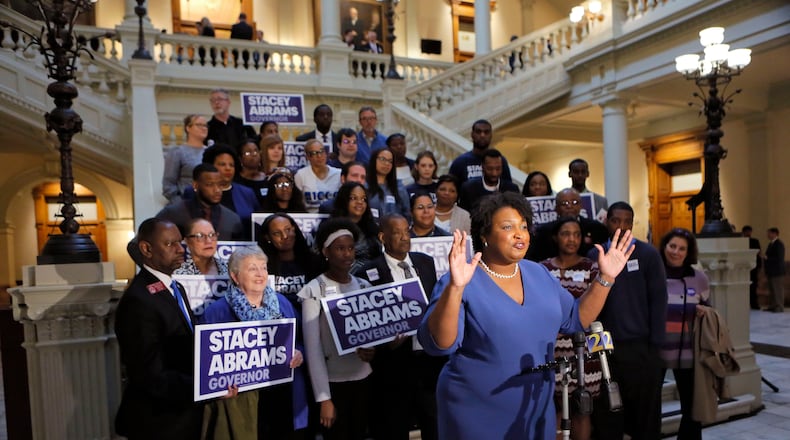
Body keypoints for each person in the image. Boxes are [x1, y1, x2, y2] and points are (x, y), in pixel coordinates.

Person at [417, 192, 635, 439]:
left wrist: (605, 278)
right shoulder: (460, 279)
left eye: (523, 226)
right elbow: (440, 345)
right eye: (508, 227)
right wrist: (455, 288)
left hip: (534, 406)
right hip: (476, 409)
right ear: (485, 235)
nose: (520, 233)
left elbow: (576, 319)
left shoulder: (538, 273)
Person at [201, 247, 308, 439]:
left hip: (281, 394)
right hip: (239, 401)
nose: (260, 274)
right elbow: (204, 363)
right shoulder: (216, 311)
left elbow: (300, 340)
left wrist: (299, 353)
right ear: (235, 276)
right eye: (252, 269)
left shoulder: (283, 303)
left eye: (264, 268)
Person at [115, 218, 203, 439]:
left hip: (182, 415)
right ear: (146, 249)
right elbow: (149, 375)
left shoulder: (175, 286)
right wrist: (205, 389)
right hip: (158, 422)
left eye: (180, 242)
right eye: (169, 244)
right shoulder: (139, 300)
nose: (180, 249)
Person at [356, 214, 442, 440]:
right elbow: (366, 324)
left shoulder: (425, 262)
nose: (405, 237)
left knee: (434, 424)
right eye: (398, 232)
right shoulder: (367, 273)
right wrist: (385, 343)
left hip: (429, 362)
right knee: (394, 427)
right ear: (383, 237)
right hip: (393, 365)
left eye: (407, 230)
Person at [588, 201, 668, 440]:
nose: (621, 226)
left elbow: (659, 302)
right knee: (607, 416)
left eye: (627, 221)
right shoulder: (595, 254)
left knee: (645, 417)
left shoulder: (648, 254)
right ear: (607, 221)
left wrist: (655, 347)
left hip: (641, 348)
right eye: (616, 220)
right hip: (606, 350)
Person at [297, 218, 376, 440]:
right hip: (333, 385)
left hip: (363, 380)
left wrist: (371, 350)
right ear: (326, 252)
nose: (347, 254)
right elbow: (313, 350)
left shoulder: (364, 286)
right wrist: (324, 398)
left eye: (350, 248)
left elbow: (371, 333)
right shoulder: (313, 290)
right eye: (340, 248)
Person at [539, 216, 602, 440]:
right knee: (554, 407)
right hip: (551, 349)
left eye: (576, 234)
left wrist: (598, 350)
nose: (572, 239)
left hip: (583, 350)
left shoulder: (591, 267)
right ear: (556, 237)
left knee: (581, 408)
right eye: (566, 234)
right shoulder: (542, 268)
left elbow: (596, 309)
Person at [658, 228, 711, 440]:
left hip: (689, 352)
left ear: (688, 252)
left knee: (691, 406)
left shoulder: (699, 278)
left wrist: (704, 311)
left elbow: (708, 309)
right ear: (664, 247)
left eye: (682, 248)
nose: (676, 252)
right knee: (650, 405)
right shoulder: (654, 274)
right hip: (657, 351)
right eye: (672, 246)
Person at [156, 164, 244, 241]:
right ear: (195, 185)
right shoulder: (172, 214)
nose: (217, 190)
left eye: (220, 184)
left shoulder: (232, 219)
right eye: (210, 184)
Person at [258, 213, 324, 310]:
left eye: (288, 230)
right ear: (268, 237)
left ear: (294, 230)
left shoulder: (315, 262)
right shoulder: (261, 267)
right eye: (277, 233)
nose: (284, 236)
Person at [527, 188, 609, 262]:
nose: (569, 206)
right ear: (557, 208)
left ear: (581, 206)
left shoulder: (596, 228)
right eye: (564, 203)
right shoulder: (544, 231)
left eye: (574, 202)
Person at [202, 143, 260, 239]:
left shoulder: (247, 193)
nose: (228, 168)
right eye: (222, 164)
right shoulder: (198, 191)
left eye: (231, 165)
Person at [330, 181, 382, 273]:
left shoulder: (373, 227)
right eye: (354, 198)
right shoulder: (331, 228)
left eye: (363, 199)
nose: (360, 202)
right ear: (344, 201)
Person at [448, 119, 513, 186]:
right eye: (478, 132)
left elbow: (508, 188)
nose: (482, 135)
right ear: (472, 135)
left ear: (491, 135)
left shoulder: (500, 161)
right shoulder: (460, 162)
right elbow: (451, 188)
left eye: (486, 132)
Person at [162, 114, 208, 203]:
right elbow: (168, 185)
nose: (204, 128)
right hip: (187, 203)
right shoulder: (178, 152)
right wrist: (181, 203)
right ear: (188, 128)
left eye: (205, 125)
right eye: (199, 125)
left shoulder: (211, 151)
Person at [294, 139, 341, 213]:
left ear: (326, 153)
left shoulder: (338, 174)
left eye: (321, 151)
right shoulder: (301, 175)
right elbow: (297, 203)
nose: (319, 156)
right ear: (307, 157)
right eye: (314, 153)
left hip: (333, 217)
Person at [366, 148, 411, 221]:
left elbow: (406, 213)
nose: (387, 164)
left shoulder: (399, 187)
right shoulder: (365, 185)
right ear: (374, 160)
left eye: (390, 161)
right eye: (383, 159)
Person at [235, 138, 267, 206]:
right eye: (248, 153)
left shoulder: (267, 178)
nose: (253, 154)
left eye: (256, 151)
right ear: (240, 158)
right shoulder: (236, 181)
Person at [764, 227, 785, 313]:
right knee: (772, 289)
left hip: (777, 271)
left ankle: (779, 307)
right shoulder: (770, 244)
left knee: (778, 290)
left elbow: (779, 258)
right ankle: (773, 306)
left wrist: (767, 258)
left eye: (769, 233)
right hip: (771, 271)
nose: (768, 235)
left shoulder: (779, 244)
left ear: (775, 234)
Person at [742, 225, 762, 310]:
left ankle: (754, 304)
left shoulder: (755, 241)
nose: (748, 233)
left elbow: (758, 253)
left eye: (749, 231)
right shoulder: (740, 242)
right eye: (746, 232)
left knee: (753, 286)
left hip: (753, 267)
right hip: (743, 267)